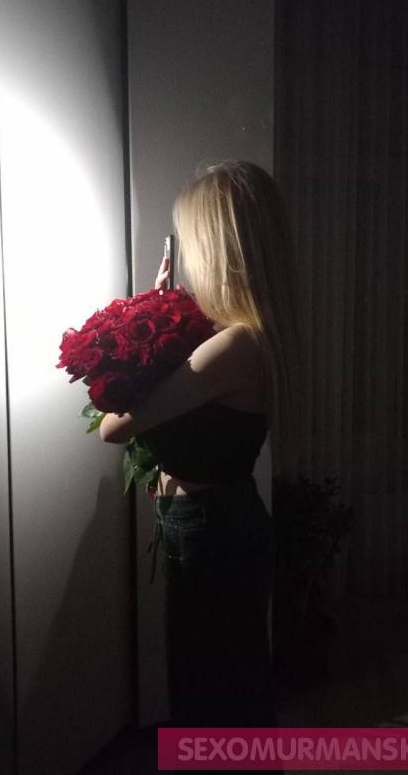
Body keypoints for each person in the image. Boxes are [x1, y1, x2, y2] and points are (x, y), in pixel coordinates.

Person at [99, 161, 302, 744]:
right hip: (222, 521)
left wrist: (142, 323)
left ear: (219, 248)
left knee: (209, 695)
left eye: (191, 241)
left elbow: (115, 426)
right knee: (230, 688)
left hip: (212, 530)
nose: (187, 256)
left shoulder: (233, 346)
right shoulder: (248, 334)